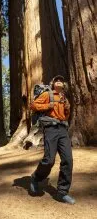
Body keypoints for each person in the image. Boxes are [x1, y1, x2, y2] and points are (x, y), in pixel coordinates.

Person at [30, 75, 75, 205]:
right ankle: (36, 177)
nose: (59, 81)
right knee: (49, 159)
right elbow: (33, 106)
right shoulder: (47, 94)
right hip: (50, 129)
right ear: (53, 83)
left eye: (61, 80)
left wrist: (67, 108)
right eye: (57, 80)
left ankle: (62, 192)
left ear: (64, 85)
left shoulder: (64, 98)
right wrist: (48, 106)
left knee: (68, 160)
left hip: (63, 130)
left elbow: (66, 116)